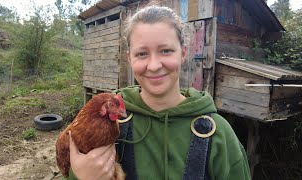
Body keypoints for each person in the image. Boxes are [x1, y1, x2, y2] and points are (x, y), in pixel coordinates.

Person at [67, 5, 251, 180]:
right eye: (142, 54)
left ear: (183, 53)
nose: (154, 66)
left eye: (165, 51)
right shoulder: (105, 126)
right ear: (129, 58)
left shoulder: (218, 134)